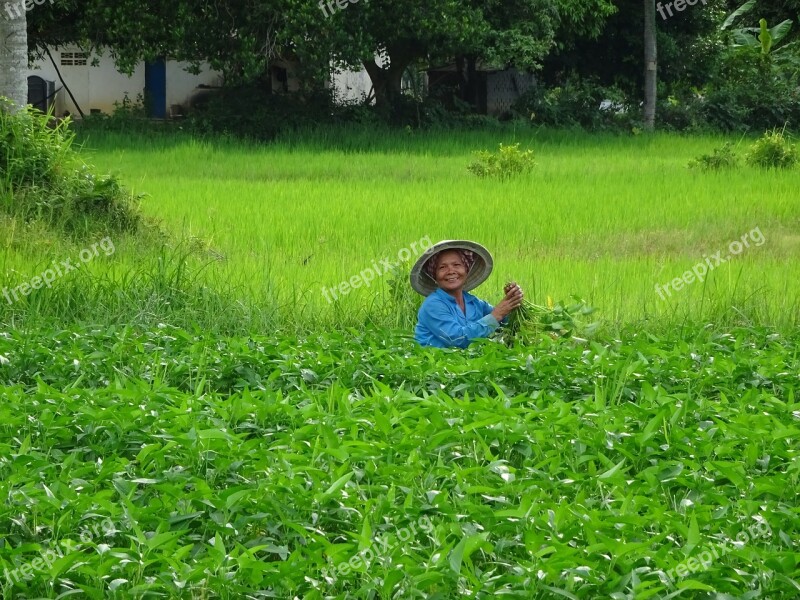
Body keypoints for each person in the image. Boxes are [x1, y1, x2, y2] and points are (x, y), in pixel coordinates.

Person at [410, 240, 524, 348]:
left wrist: (512, 300)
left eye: (456, 265)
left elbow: (505, 322)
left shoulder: (473, 302)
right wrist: (496, 315)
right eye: (442, 267)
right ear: (435, 276)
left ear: (466, 270)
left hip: (466, 365)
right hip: (435, 364)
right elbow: (457, 339)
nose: (451, 271)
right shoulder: (433, 305)